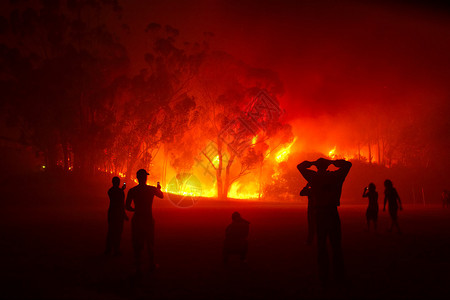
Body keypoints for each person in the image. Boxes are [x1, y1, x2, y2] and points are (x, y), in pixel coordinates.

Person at [297, 158, 352, 287]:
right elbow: (348, 164)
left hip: (320, 213)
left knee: (321, 246)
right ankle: (339, 276)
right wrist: (333, 161)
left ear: (317, 167)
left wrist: (312, 163)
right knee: (336, 245)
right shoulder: (336, 176)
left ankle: (323, 276)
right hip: (332, 212)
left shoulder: (313, 178)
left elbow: (300, 166)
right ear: (327, 166)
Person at [125, 169, 164, 275]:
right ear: (146, 178)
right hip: (148, 219)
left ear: (137, 178)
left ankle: (138, 267)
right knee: (150, 242)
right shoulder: (151, 189)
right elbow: (161, 196)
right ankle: (151, 265)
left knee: (137, 244)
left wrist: (135, 210)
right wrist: (159, 189)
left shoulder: (132, 191)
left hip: (137, 219)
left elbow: (127, 206)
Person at [105, 176, 128, 256]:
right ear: (118, 183)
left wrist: (121, 189)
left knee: (111, 231)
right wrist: (124, 214)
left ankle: (108, 249)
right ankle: (116, 249)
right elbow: (121, 203)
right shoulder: (120, 192)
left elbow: (115, 196)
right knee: (118, 232)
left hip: (111, 212)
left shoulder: (110, 191)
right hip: (118, 214)